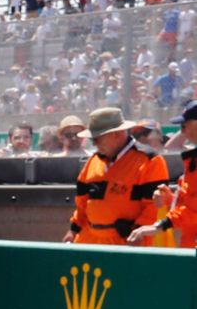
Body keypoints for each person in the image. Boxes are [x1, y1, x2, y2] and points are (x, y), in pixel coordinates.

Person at [66, 107, 169, 245]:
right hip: (90, 240)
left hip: (126, 243)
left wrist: (138, 233)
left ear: (117, 134)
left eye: (97, 138)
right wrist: (73, 230)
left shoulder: (150, 160)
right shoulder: (93, 161)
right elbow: (82, 203)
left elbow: (153, 208)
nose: (94, 143)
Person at [129, 102, 197, 247]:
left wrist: (161, 225)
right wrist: (171, 200)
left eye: (184, 126)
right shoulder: (192, 160)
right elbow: (190, 203)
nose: (182, 132)